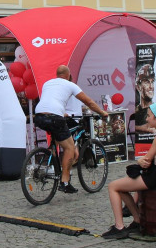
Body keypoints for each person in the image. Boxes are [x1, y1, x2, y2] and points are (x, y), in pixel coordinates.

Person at [101, 102, 156, 239]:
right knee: (121, 189)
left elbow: (147, 160)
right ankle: (137, 220)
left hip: (155, 174)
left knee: (113, 186)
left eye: (149, 116)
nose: (147, 119)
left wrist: (140, 161)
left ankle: (119, 226)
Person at [32, 64, 108, 194]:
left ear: (57, 75)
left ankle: (54, 164)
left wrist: (62, 113)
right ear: (68, 75)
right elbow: (89, 102)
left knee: (57, 139)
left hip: (39, 116)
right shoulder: (70, 85)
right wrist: (102, 113)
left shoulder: (47, 83)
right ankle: (64, 182)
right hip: (55, 117)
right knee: (70, 148)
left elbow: (52, 101)